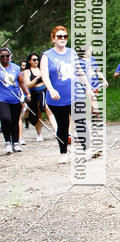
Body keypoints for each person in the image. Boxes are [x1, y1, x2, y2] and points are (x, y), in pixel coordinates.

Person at [40, 26, 93, 163]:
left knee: (80, 120)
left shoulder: (72, 52)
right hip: (56, 98)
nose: (62, 39)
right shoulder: (47, 56)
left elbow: (80, 72)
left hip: (74, 94)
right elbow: (44, 75)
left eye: (65, 36)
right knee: (63, 125)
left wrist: (87, 87)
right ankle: (63, 153)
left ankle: (88, 150)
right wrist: (51, 89)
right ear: (53, 39)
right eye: (59, 36)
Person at [0, 47, 30, 154]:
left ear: (10, 57)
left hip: (15, 99)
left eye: (7, 56)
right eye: (2, 56)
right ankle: (8, 142)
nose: (5, 58)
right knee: (5, 119)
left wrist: (27, 93)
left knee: (14, 120)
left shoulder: (16, 68)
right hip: (2, 99)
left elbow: (21, 82)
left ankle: (16, 143)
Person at [77, 46, 108, 116]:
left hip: (95, 83)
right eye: (89, 50)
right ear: (84, 51)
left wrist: (104, 79)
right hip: (86, 84)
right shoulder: (80, 61)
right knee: (92, 99)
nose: (91, 52)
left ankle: (91, 117)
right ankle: (97, 115)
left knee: (93, 100)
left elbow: (97, 71)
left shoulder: (92, 59)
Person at [23, 52, 47, 142]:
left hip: (44, 91)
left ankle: (57, 130)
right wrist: (37, 78)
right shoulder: (27, 71)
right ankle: (39, 134)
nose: (36, 61)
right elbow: (28, 85)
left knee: (47, 109)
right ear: (29, 61)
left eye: (37, 59)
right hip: (34, 93)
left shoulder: (42, 69)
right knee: (37, 114)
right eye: (34, 60)